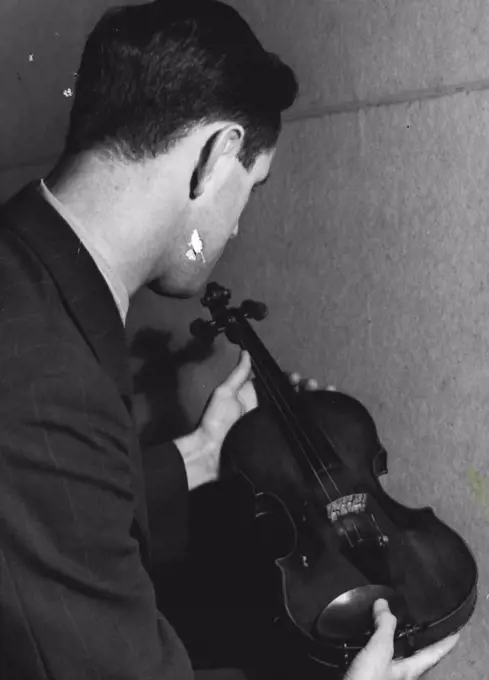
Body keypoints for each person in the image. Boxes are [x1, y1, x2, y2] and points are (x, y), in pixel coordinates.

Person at [0, 1, 460, 679]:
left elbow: (58, 503)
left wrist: (202, 456)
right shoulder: (45, 378)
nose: (236, 227)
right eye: (252, 186)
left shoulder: (25, 271)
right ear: (216, 156)